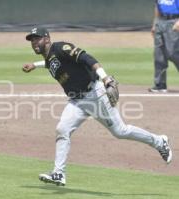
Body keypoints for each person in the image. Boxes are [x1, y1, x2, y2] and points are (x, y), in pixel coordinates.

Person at [22, 27, 172, 186]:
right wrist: (34, 65)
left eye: (37, 38)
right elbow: (50, 63)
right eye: (32, 40)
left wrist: (105, 78)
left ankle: (159, 141)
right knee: (62, 129)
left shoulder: (60, 48)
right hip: (77, 101)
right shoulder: (51, 57)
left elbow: (87, 58)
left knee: (120, 131)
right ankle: (59, 174)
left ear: (46, 38)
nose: (34, 42)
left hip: (94, 93)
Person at [149, 0, 179, 92]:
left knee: (173, 53)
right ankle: (160, 84)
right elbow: (157, 7)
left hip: (173, 21)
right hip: (160, 21)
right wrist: (154, 24)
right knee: (159, 54)